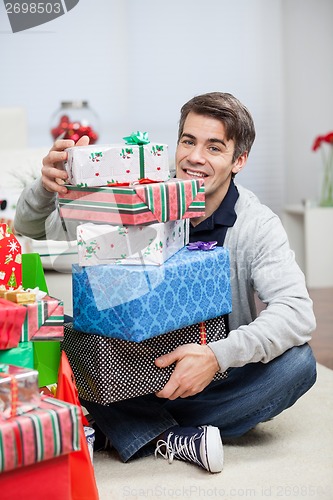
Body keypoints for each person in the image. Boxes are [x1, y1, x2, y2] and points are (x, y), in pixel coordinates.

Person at [14, 92, 317, 474]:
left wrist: (215, 357)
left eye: (214, 147)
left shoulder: (256, 224)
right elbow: (31, 227)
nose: (195, 157)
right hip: (125, 367)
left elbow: (297, 313)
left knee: (299, 364)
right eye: (188, 141)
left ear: (239, 160)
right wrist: (46, 187)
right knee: (55, 327)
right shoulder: (141, 197)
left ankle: (120, 426)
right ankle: (174, 437)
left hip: (209, 375)